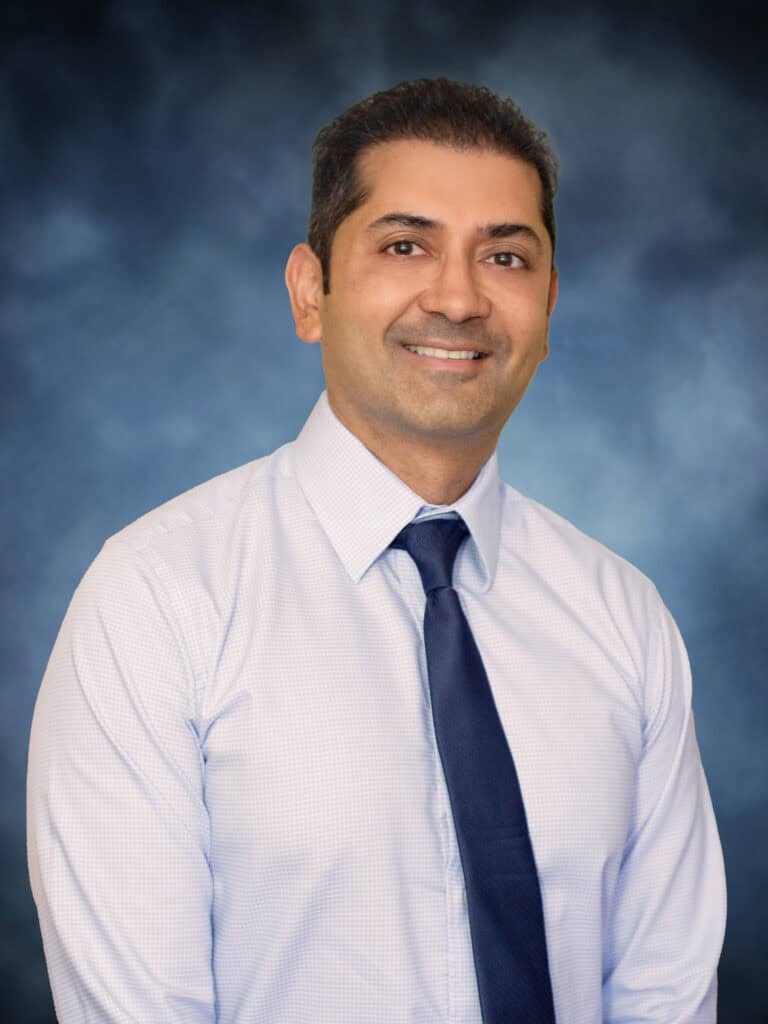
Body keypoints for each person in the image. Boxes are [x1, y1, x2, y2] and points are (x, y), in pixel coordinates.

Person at [27, 78, 726, 1023]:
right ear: (309, 291)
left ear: (549, 305)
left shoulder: (623, 617)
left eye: (506, 257)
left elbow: (665, 997)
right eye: (405, 246)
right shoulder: (158, 599)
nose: (459, 298)